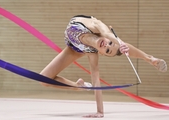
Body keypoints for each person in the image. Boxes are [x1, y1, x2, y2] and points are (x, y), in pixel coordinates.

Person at [39, 15, 167, 118]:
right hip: (76, 41)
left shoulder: (92, 52)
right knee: (44, 78)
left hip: (76, 48)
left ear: (101, 54)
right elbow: (108, 34)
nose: (106, 46)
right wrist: (119, 42)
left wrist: (100, 111)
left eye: (107, 50)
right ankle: (149, 58)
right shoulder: (96, 26)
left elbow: (96, 80)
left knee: (43, 80)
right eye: (109, 44)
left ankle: (79, 87)